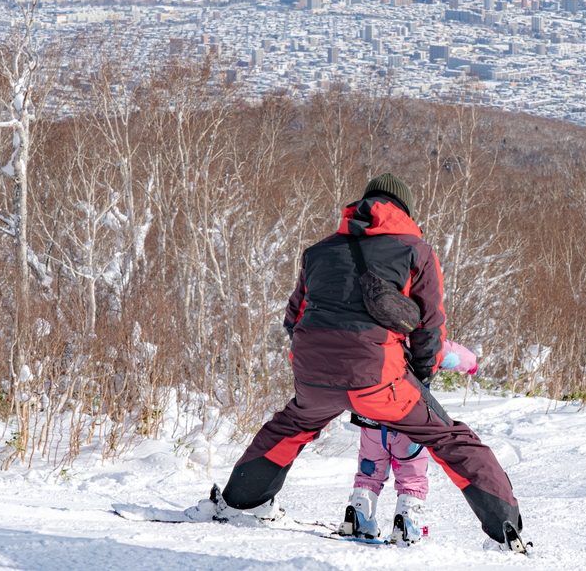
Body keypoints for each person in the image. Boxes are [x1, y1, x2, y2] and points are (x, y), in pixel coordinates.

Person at [185, 173, 528, 553]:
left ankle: (238, 504)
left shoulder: (317, 251)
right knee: (447, 436)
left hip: (313, 372)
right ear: (405, 210)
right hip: (379, 377)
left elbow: (292, 318)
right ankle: (507, 529)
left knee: (291, 426)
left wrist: (317, 362)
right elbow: (430, 328)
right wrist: (421, 376)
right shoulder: (417, 251)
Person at [342, 340, 479, 544]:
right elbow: (456, 356)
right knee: (411, 473)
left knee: (369, 470)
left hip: (371, 418)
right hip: (408, 420)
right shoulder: (422, 340)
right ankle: (406, 522)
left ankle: (358, 515)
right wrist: (472, 365)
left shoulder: (370, 333)